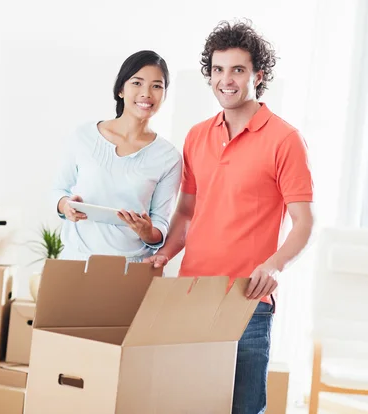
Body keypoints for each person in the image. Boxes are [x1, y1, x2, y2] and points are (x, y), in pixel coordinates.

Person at [145, 20, 315, 414]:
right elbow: (186, 212)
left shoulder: (285, 139)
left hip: (247, 301)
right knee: (186, 405)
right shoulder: (196, 136)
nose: (227, 80)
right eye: (218, 70)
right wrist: (165, 254)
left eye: (238, 70)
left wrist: (275, 266)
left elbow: (305, 223)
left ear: (258, 75)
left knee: (241, 409)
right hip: (191, 296)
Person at [52, 50, 182, 263]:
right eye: (137, 83)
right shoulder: (84, 136)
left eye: (157, 86)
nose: (146, 93)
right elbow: (58, 190)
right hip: (76, 261)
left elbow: (160, 225)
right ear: (121, 89)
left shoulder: (169, 157)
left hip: (130, 269)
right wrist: (65, 205)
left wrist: (147, 232)